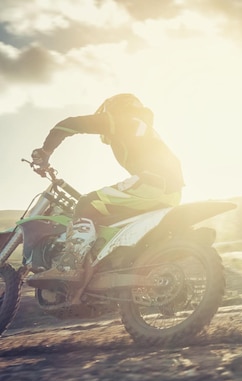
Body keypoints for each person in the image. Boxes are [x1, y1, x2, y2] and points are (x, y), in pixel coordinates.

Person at [28, 93, 184, 288]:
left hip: (151, 184)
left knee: (86, 203)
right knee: (105, 216)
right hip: (172, 192)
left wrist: (45, 152)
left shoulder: (121, 120)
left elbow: (69, 124)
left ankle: (68, 266)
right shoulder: (144, 127)